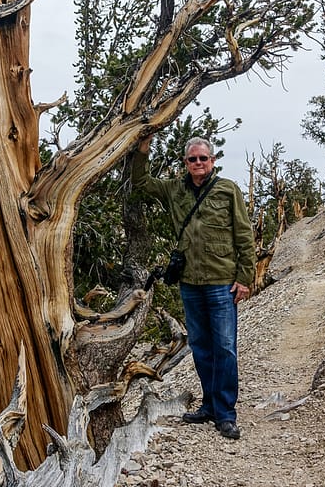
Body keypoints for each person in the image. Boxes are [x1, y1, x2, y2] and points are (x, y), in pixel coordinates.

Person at [132, 135, 255, 440]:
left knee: (225, 348)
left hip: (222, 282)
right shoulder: (175, 189)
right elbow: (141, 181)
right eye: (192, 159)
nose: (198, 163)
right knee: (200, 348)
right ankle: (210, 406)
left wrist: (245, 277)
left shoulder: (227, 190)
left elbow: (244, 233)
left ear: (212, 161)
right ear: (185, 163)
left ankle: (226, 414)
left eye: (203, 158)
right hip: (190, 283)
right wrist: (144, 147)